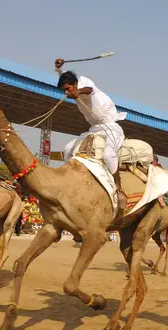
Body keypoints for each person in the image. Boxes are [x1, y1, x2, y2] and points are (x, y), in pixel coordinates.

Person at [54, 58, 128, 219]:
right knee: (67, 150)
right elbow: (67, 80)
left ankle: (118, 187)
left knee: (109, 154)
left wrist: (78, 92)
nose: (66, 93)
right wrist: (59, 69)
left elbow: (89, 90)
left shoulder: (84, 84)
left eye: (68, 89)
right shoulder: (72, 83)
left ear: (75, 85)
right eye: (64, 91)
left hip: (111, 127)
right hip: (94, 129)